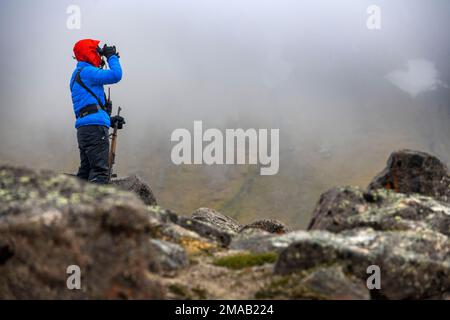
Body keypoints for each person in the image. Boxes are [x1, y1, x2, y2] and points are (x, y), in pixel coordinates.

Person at [70, 39, 125, 184]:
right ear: (90, 53)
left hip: (84, 129)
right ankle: (95, 206)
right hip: (95, 129)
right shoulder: (87, 72)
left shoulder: (77, 74)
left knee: (86, 172)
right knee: (100, 172)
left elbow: (88, 106)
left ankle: (77, 203)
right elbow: (116, 75)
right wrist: (112, 56)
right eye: (97, 52)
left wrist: (110, 120)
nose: (100, 57)